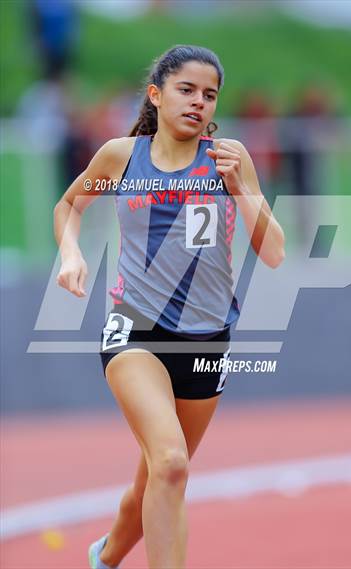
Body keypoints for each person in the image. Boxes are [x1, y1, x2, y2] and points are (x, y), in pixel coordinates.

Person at [54, 45, 285, 569]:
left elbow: (274, 253)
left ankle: (104, 558)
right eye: (186, 90)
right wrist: (70, 253)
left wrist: (241, 189)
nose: (198, 102)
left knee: (156, 477)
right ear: (156, 95)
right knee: (172, 462)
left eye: (209, 94)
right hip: (134, 328)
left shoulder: (231, 158)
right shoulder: (121, 156)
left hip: (207, 341)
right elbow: (69, 204)